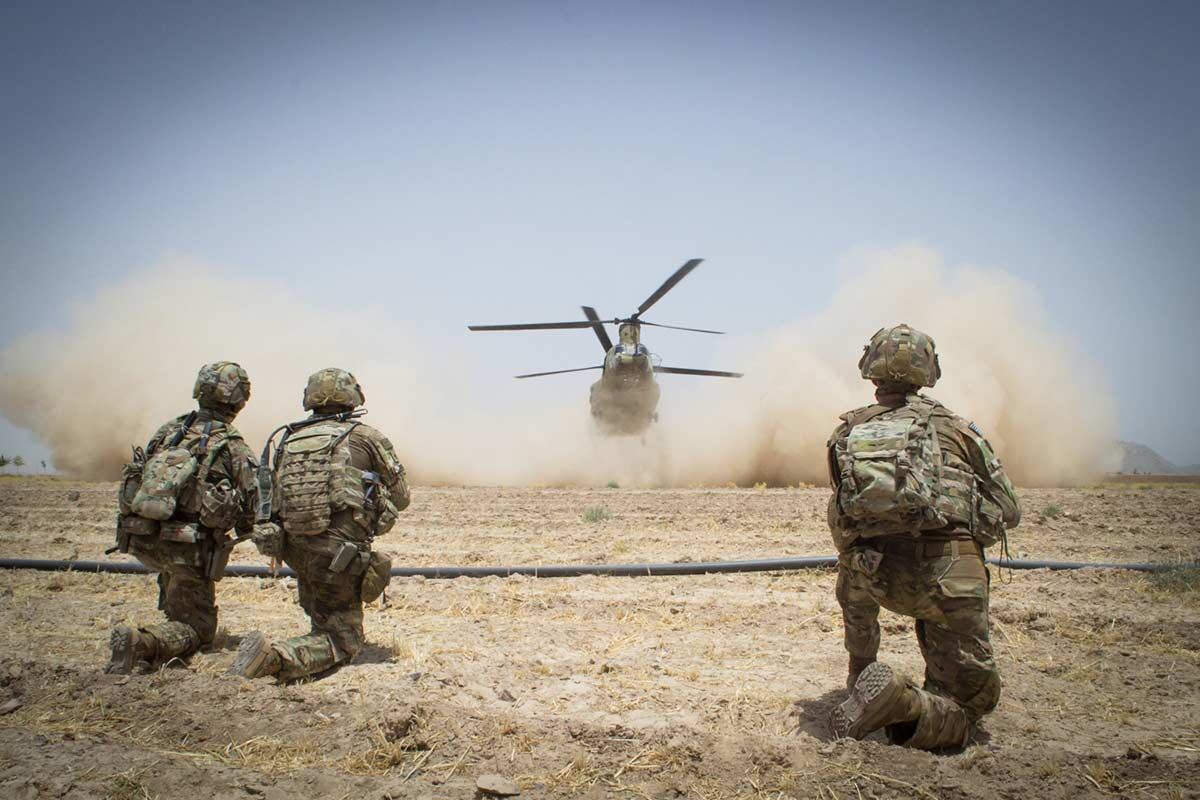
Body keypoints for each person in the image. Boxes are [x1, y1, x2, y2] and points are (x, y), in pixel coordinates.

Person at [826, 324, 1020, 750]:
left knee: (851, 559)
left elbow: (842, 519)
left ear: (870, 371)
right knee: (973, 705)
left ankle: (861, 676)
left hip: (876, 581)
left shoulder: (848, 433)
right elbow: (1008, 508)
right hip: (949, 580)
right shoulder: (956, 428)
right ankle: (905, 702)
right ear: (929, 371)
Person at [230, 367, 409, 682]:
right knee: (343, 640)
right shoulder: (365, 436)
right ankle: (274, 657)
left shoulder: (290, 437)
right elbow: (402, 495)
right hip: (338, 554)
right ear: (353, 397)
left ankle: (310, 641)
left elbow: (269, 494)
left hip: (295, 550)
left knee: (324, 615)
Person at [107, 362, 258, 673]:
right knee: (198, 632)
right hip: (188, 549)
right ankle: (143, 643)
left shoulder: (169, 432)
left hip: (143, 539)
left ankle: (171, 610)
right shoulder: (230, 443)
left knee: (175, 579)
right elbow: (254, 501)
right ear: (238, 400)